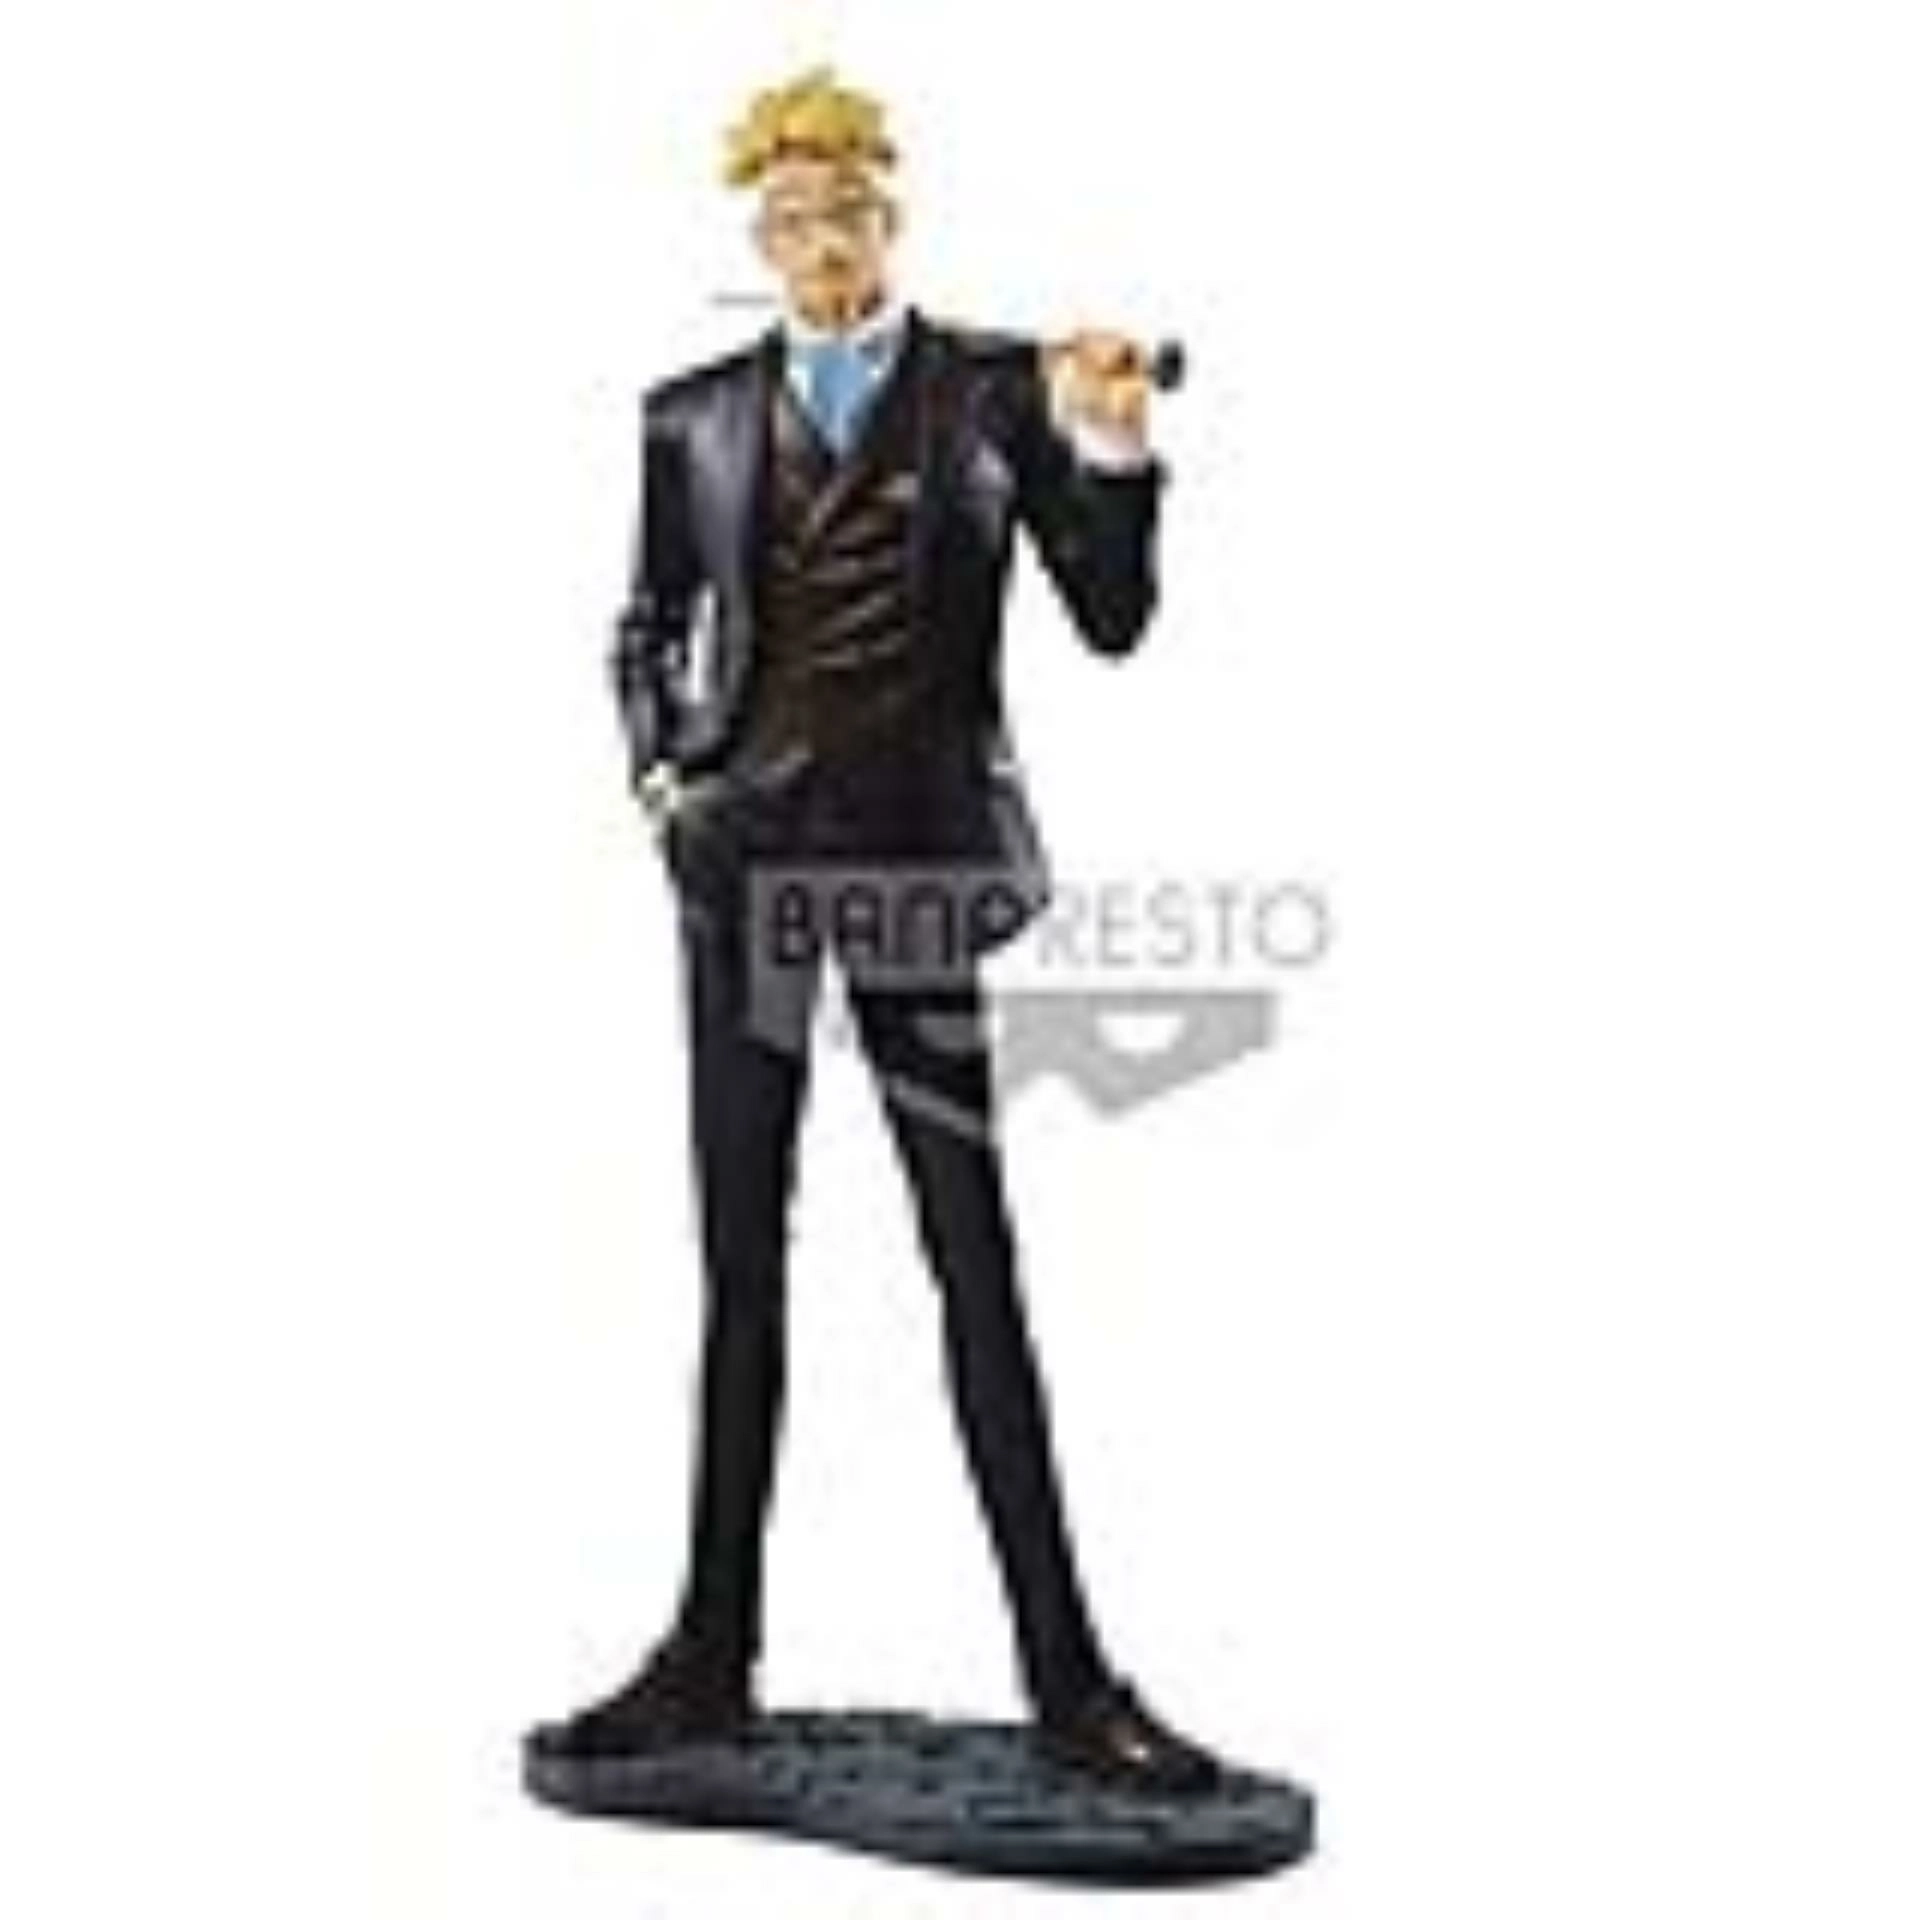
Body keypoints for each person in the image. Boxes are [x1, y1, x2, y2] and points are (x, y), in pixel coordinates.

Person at [534, 68, 1222, 1793]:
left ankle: (1071, 1683)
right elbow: (647, 624)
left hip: (915, 859)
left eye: (844, 212)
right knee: (739, 1273)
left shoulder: (992, 391)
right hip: (743, 870)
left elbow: (1113, 616)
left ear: (889, 217)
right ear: (759, 238)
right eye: (789, 220)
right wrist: (663, 782)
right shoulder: (691, 418)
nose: (820, 244)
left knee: (972, 1263)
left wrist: (1110, 445)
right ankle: (707, 1661)